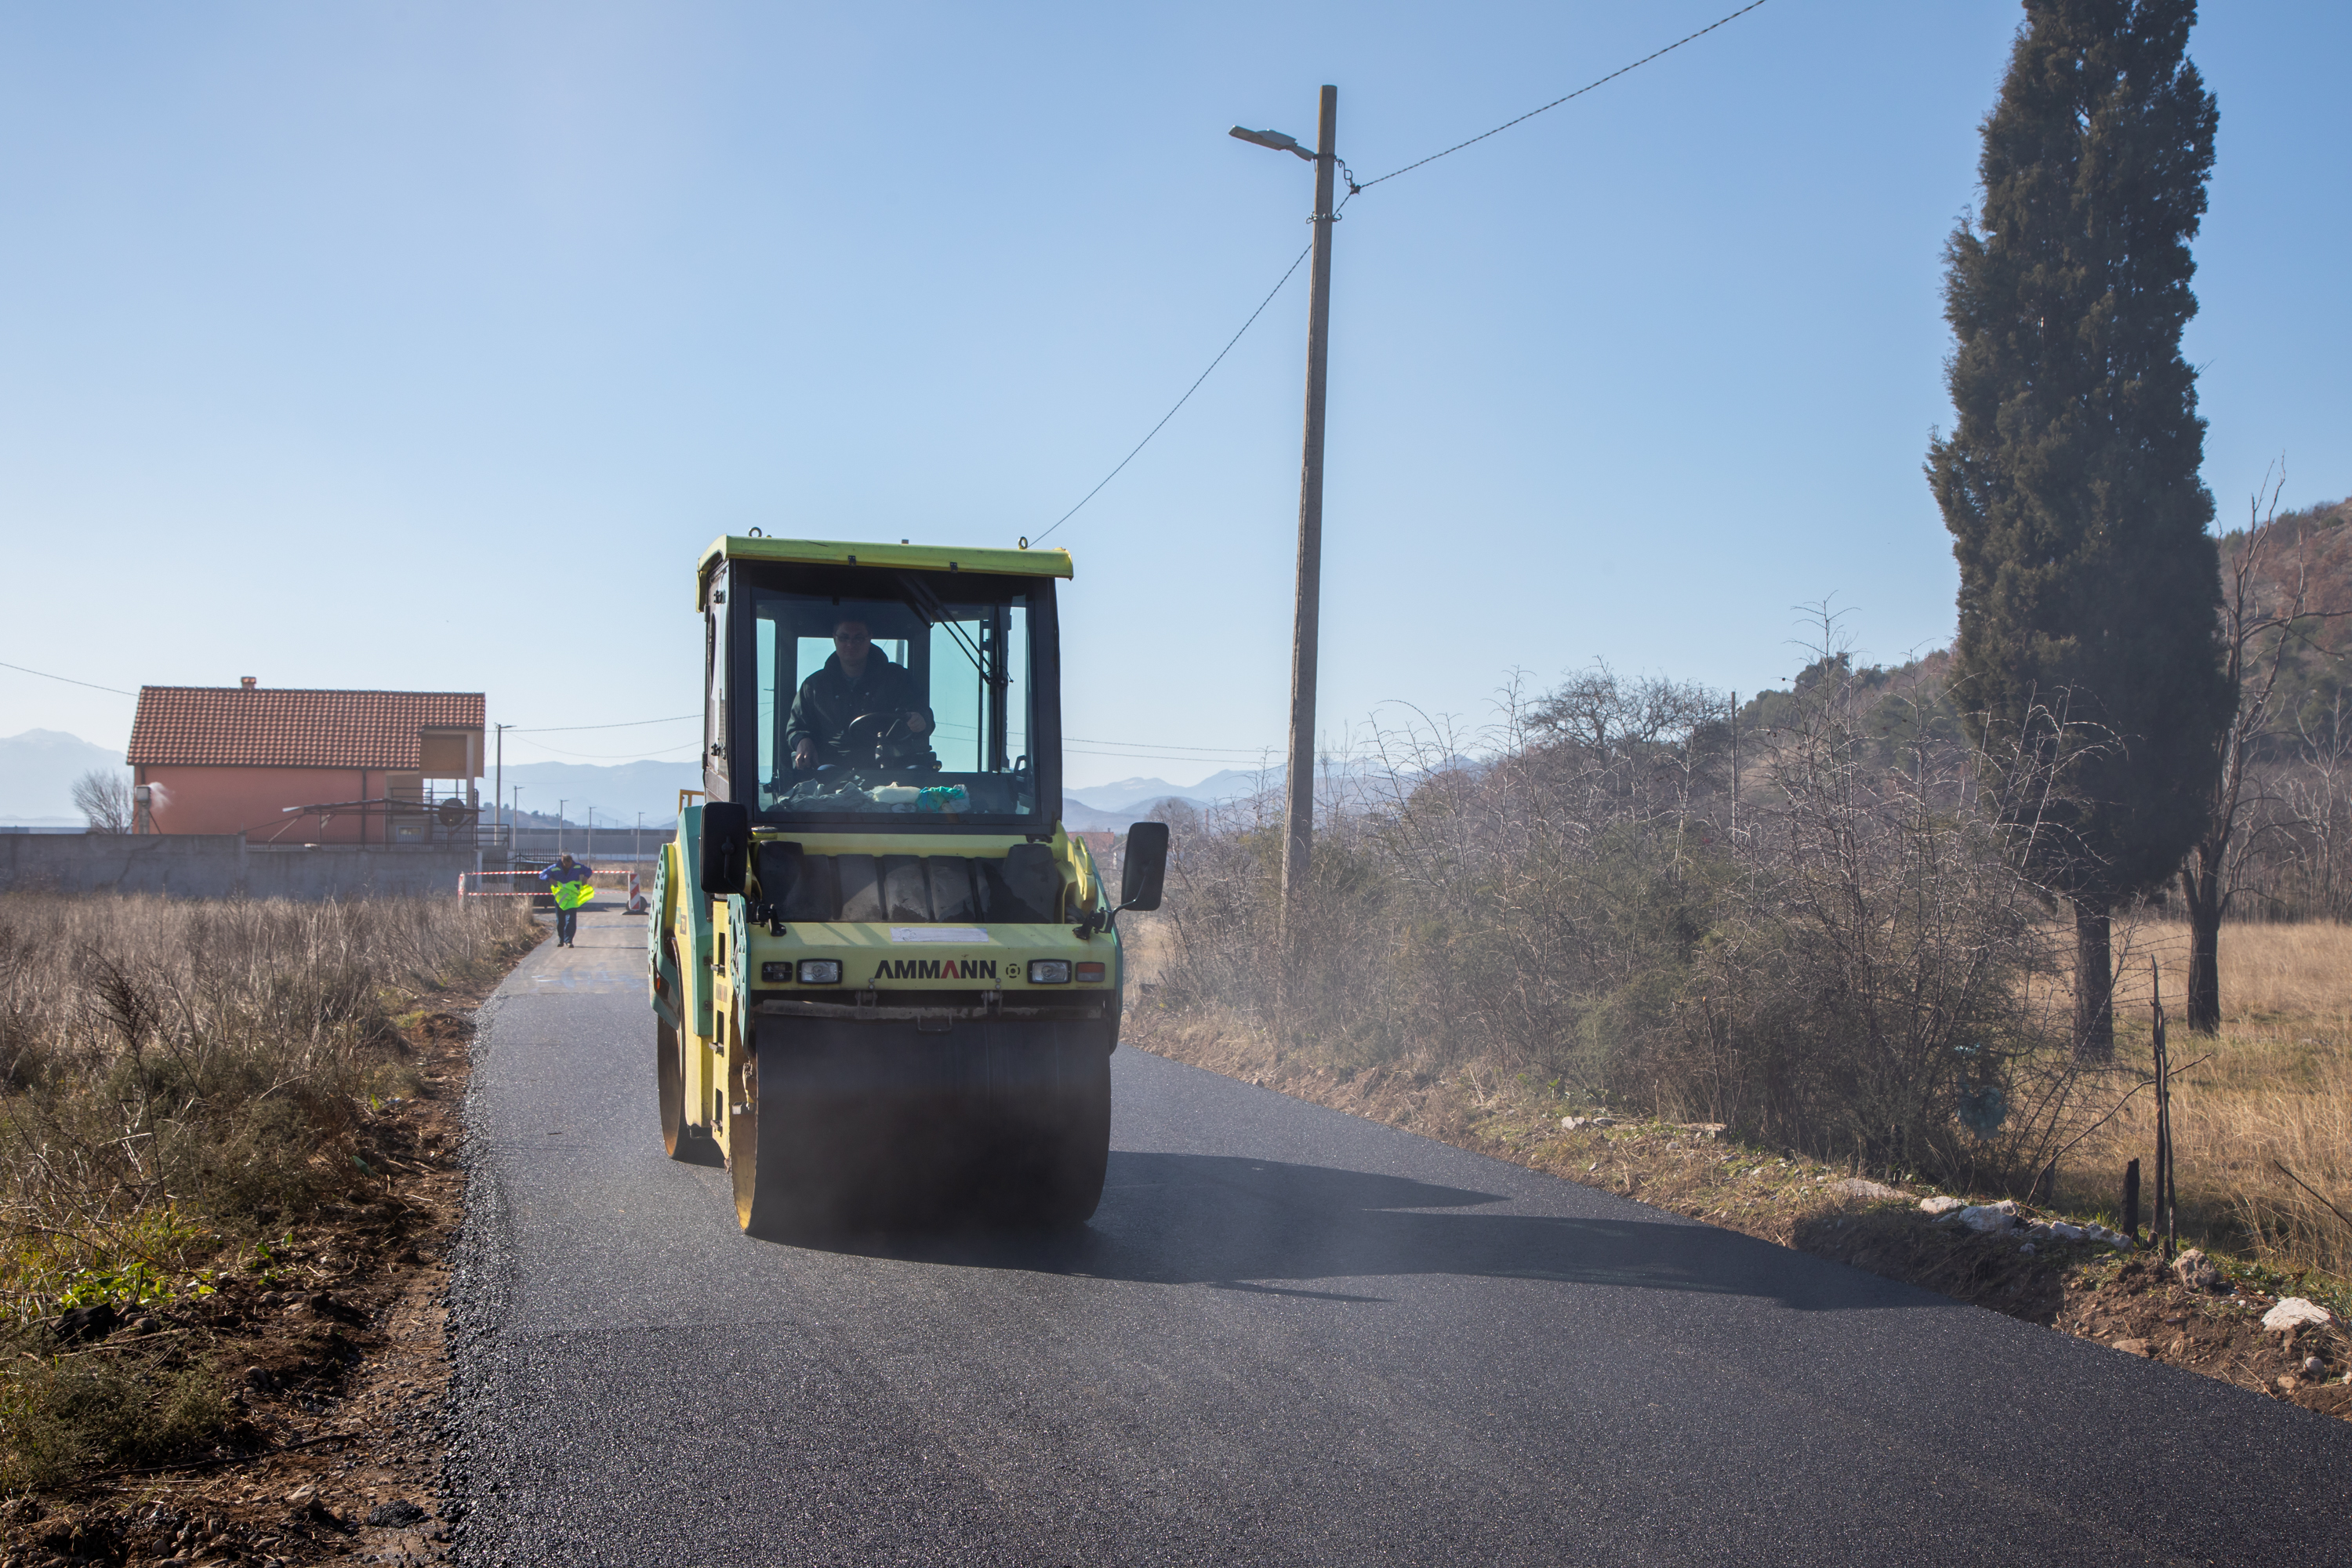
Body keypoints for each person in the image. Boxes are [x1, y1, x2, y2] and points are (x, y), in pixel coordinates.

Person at [785, 614, 938, 772]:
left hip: (892, 767)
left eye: (858, 638)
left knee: (915, 775)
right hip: (833, 774)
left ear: (869, 638)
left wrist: (921, 720)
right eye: (844, 638)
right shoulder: (813, 686)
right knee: (825, 773)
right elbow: (796, 728)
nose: (851, 644)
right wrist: (802, 740)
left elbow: (923, 714)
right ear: (834, 638)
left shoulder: (898, 679)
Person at [540, 851, 595, 947]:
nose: (568, 866)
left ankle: (569, 940)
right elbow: (542, 874)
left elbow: (589, 870)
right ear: (563, 861)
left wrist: (586, 878)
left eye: (570, 864)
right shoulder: (555, 867)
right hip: (560, 898)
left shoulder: (577, 866)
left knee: (571, 919)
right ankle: (561, 939)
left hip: (572, 897)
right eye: (566, 864)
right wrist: (549, 879)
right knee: (560, 920)